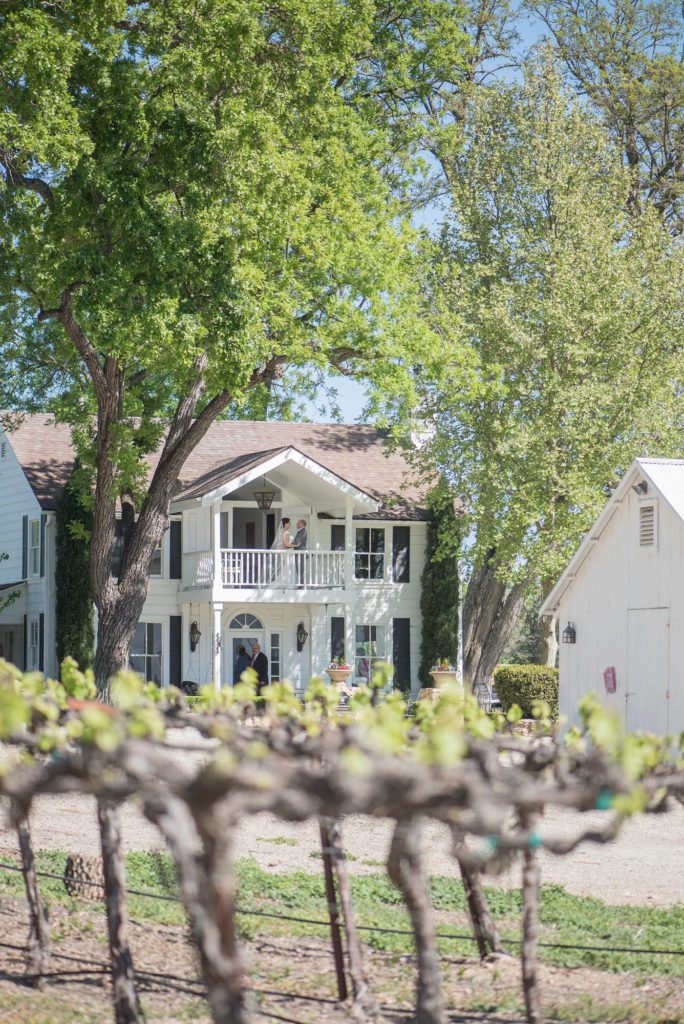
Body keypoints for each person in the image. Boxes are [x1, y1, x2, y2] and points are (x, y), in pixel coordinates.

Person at [292, 518, 308, 586]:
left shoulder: (303, 532)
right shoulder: (300, 531)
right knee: (298, 569)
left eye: (298, 523)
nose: (296, 524)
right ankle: (300, 585)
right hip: (297, 553)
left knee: (300, 570)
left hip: (300, 554)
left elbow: (297, 542)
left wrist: (287, 545)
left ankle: (301, 586)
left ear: (301, 524)